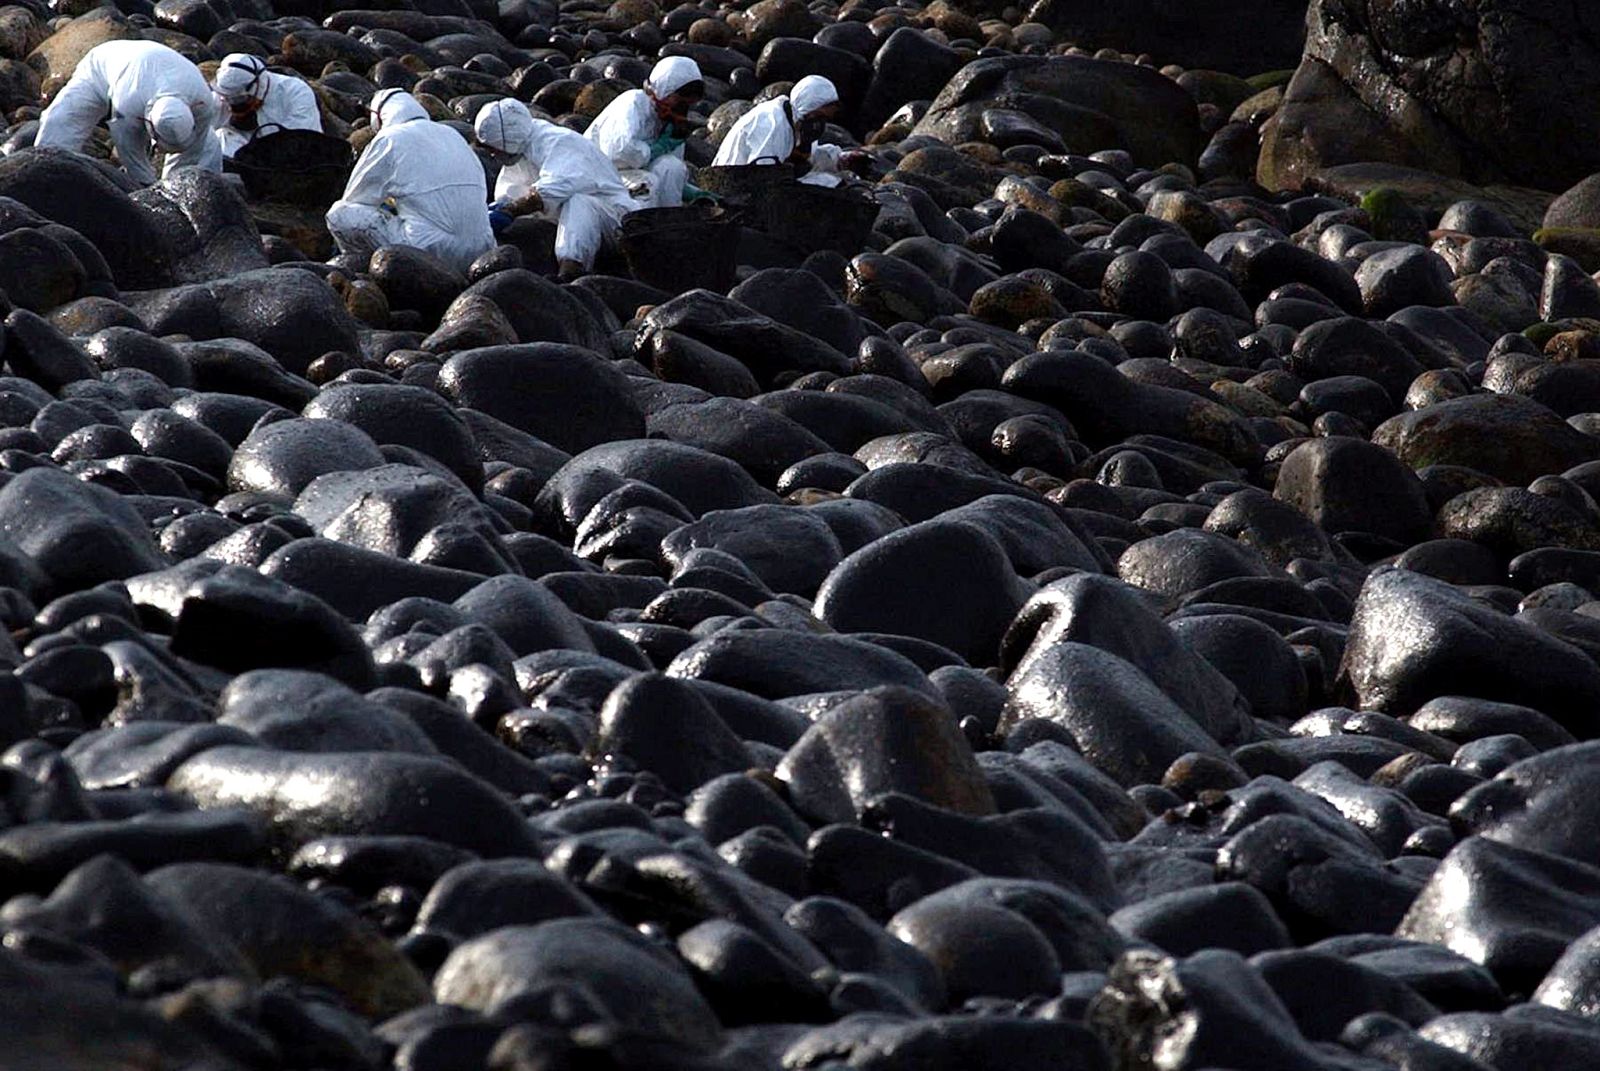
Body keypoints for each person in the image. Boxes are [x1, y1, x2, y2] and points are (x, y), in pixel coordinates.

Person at [326, 89, 495, 273]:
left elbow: (356, 199)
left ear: (380, 118)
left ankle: (359, 270)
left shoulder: (391, 138)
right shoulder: (454, 135)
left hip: (429, 250)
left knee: (340, 214)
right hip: (482, 248)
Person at [475, 97, 636, 280]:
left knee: (580, 203)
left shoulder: (558, 142)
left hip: (614, 217)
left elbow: (553, 189)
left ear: (506, 139)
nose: (493, 154)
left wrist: (511, 210)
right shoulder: (523, 149)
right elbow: (511, 190)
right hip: (571, 219)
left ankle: (572, 270)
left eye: (494, 149)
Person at [35, 40, 222, 185]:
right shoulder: (128, 104)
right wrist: (147, 188)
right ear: (147, 122)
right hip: (101, 68)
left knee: (203, 149)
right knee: (58, 122)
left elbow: (189, 155)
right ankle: (43, 173)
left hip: (148, 66)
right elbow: (130, 154)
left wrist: (173, 189)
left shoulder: (204, 103)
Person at [584, 55, 705, 208]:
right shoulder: (633, 103)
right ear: (665, 89)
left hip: (627, 177)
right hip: (598, 176)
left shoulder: (669, 125)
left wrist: (693, 193)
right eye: (680, 101)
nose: (682, 108)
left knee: (671, 166)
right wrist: (657, 148)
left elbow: (668, 172)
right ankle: (637, 228)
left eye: (688, 104)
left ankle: (669, 224)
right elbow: (619, 152)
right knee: (647, 183)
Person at [711, 74, 848, 187]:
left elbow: (809, 157)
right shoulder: (771, 122)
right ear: (805, 108)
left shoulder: (798, 123)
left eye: (825, 119)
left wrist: (840, 160)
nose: (819, 124)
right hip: (733, 184)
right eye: (819, 116)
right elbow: (763, 172)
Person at [211, 53, 322, 159]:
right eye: (226, 97)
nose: (231, 106)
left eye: (238, 99)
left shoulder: (295, 92)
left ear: (258, 86)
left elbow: (300, 142)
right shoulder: (221, 98)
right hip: (242, 161)